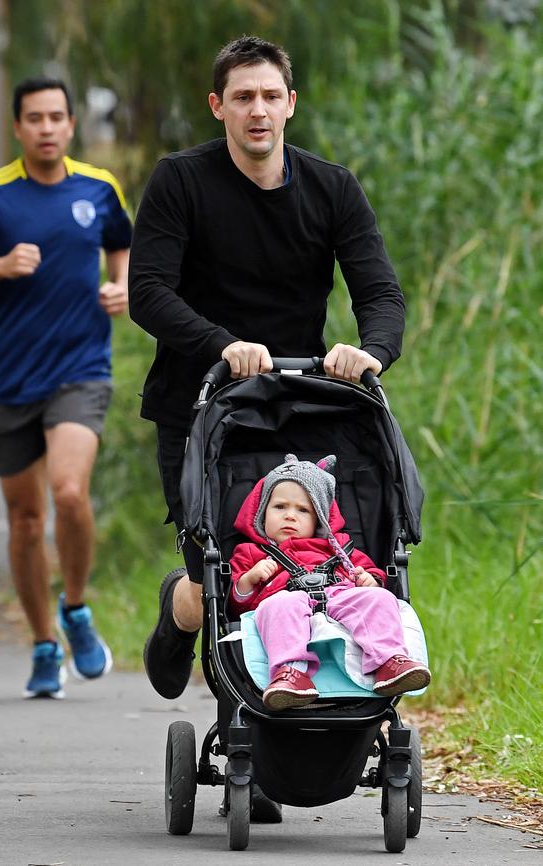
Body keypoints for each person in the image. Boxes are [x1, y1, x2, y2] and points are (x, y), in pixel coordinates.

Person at [128, 36, 405, 701]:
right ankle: (182, 617)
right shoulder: (181, 180)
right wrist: (222, 345)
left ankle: (280, 728)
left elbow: (379, 292)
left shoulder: (332, 188)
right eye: (243, 97)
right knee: (215, 580)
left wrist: (370, 350)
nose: (258, 110)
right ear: (218, 106)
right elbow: (149, 293)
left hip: (299, 406)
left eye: (271, 97)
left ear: (291, 105)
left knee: (300, 572)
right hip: (200, 405)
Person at [0, 77, 132, 699]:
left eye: (56, 117)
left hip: (81, 368)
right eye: (34, 118)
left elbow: (121, 246)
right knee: (25, 522)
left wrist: (119, 287)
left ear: (70, 125)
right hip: (11, 377)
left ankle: (75, 606)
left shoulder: (98, 189)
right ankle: (44, 641)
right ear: (18, 128)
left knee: (70, 492)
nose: (46, 127)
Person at [228, 454, 431, 710]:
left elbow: (369, 571)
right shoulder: (251, 552)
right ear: (261, 513)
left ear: (320, 520)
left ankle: (389, 661)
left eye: (303, 510)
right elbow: (235, 604)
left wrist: (370, 580)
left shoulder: (340, 548)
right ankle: (291, 673)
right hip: (287, 600)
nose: (290, 516)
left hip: (339, 596)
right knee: (276, 606)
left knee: (380, 598)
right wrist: (248, 579)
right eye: (280, 507)